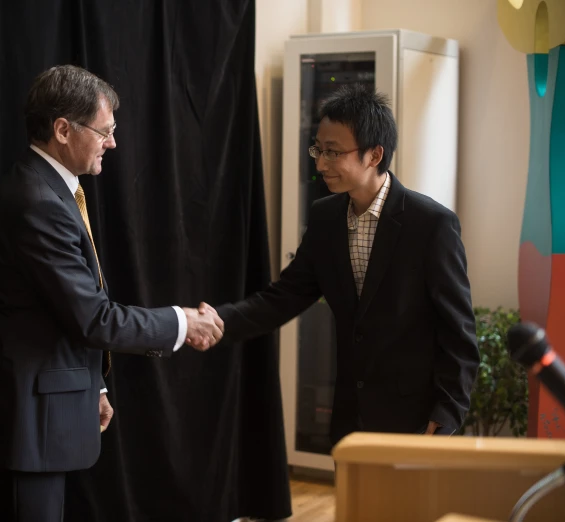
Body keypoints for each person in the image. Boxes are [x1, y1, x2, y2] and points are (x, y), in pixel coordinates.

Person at [0, 64, 224, 522]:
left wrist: (91, 386)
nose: (113, 143)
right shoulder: (37, 203)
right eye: (105, 131)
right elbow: (94, 318)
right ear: (63, 129)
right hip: (27, 424)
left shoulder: (51, 191)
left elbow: (53, 314)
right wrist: (183, 322)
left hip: (45, 410)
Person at [204, 84, 479, 445]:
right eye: (318, 149)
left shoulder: (430, 224)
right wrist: (219, 322)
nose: (320, 163)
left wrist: (446, 415)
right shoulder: (325, 217)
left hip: (416, 419)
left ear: (374, 154)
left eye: (333, 152)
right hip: (351, 415)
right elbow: (285, 296)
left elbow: (458, 332)